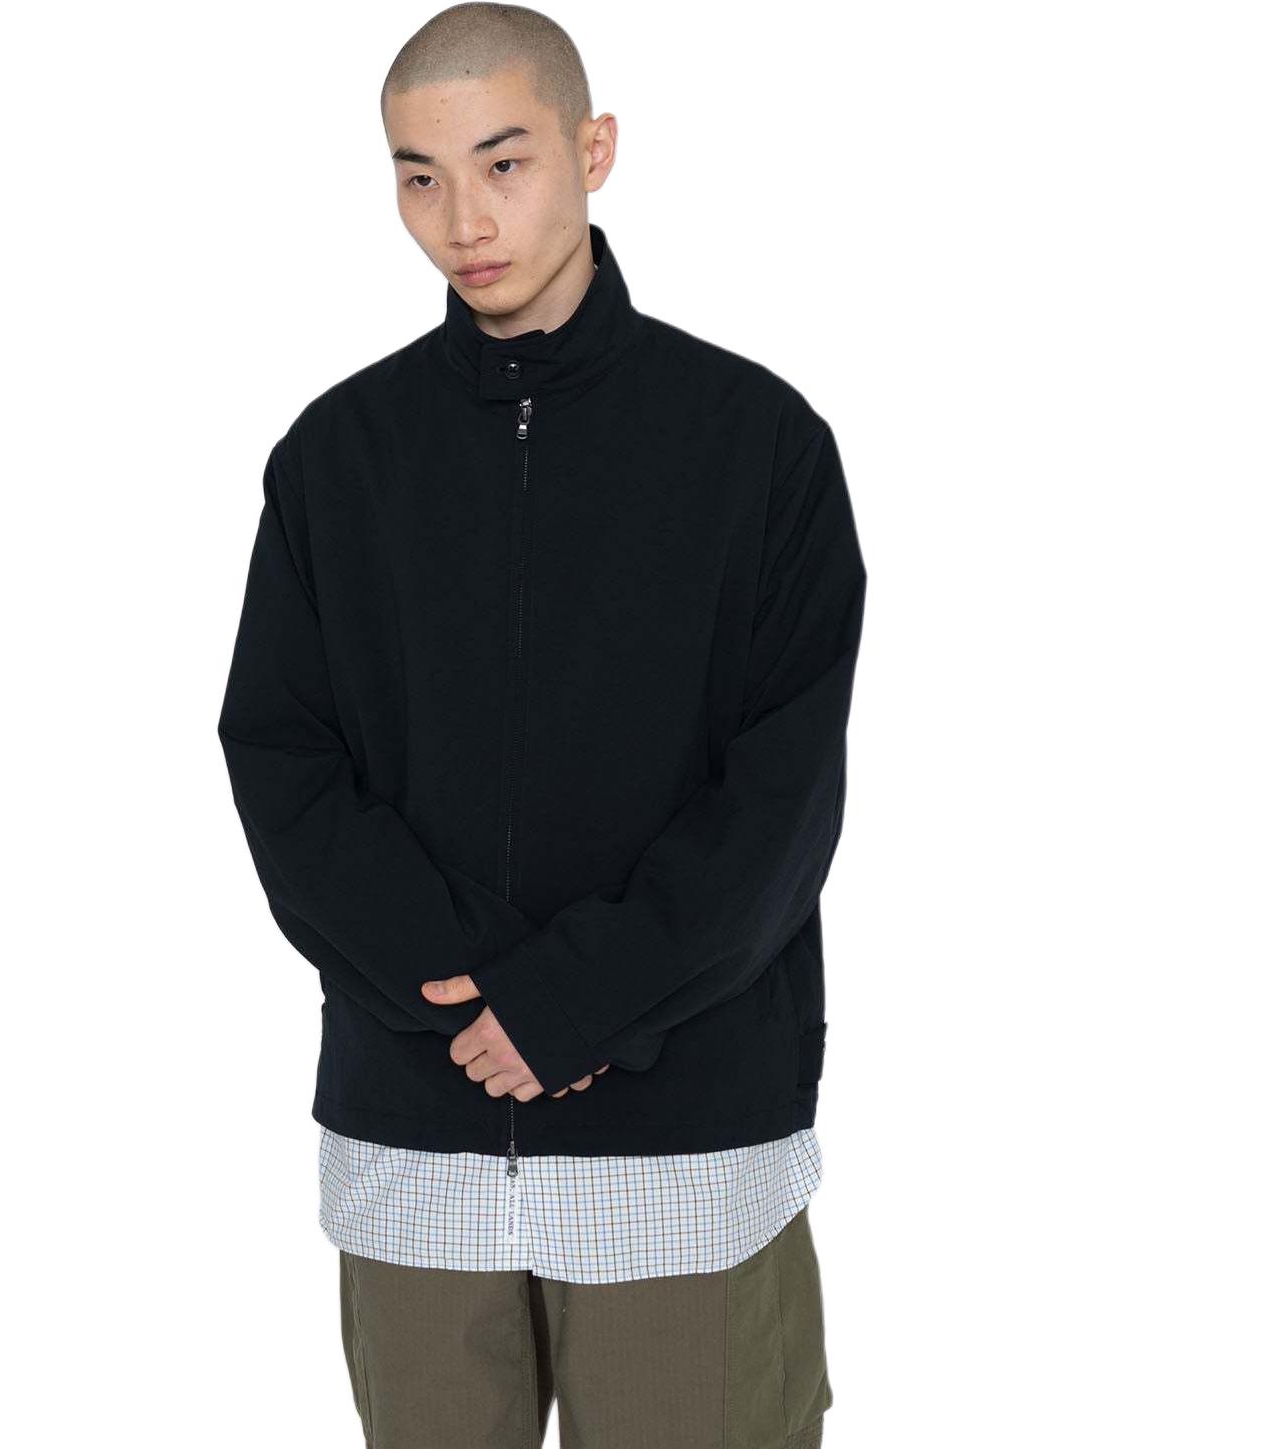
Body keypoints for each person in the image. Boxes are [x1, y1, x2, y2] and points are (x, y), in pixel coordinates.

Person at [217, 5, 867, 1445]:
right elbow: (282, 759)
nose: (463, 220)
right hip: (420, 1132)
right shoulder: (336, 459)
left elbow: (782, 797)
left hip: (682, 1141)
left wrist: (574, 1001)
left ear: (594, 149)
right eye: (419, 176)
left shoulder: (756, 445)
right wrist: (460, 991)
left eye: (503, 164)